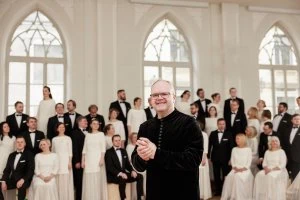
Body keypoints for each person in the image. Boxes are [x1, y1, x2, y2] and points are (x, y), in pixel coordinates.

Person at [131, 80, 203, 200]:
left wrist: (156, 153)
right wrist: (141, 158)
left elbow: (194, 159)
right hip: (155, 193)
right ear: (151, 99)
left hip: (183, 194)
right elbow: (137, 165)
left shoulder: (189, 123)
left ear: (173, 97)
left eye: (164, 94)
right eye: (155, 95)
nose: (159, 98)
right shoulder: (145, 127)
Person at [105, 135, 143, 200]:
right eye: (116, 141)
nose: (118, 142)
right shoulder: (108, 152)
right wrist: (120, 173)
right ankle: (123, 198)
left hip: (124, 174)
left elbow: (127, 164)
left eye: (119, 140)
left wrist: (132, 171)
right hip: (114, 175)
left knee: (140, 176)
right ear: (112, 142)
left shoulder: (123, 151)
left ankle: (139, 197)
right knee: (122, 179)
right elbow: (109, 167)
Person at [0, 136, 34, 200]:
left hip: (24, 180)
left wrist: (22, 180)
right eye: (18, 142)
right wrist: (4, 181)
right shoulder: (11, 155)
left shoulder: (29, 154)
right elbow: (7, 170)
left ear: (25, 144)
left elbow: (30, 170)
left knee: (22, 187)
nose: (19, 144)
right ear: (15, 144)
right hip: (13, 180)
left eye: (21, 142)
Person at [221, 134, 253, 200]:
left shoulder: (248, 150)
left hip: (245, 170)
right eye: (236, 139)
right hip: (235, 169)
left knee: (237, 177)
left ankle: (239, 197)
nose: (236, 140)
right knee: (229, 177)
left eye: (238, 138)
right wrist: (235, 167)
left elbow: (248, 162)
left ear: (242, 139)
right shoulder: (234, 149)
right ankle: (230, 196)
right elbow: (232, 161)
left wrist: (242, 169)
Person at [81, 118, 107, 200]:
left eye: (97, 124)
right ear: (91, 125)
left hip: (98, 159)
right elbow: (84, 149)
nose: (96, 125)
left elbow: (103, 148)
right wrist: (83, 160)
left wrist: (102, 159)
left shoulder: (101, 134)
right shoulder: (87, 135)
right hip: (88, 160)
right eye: (94, 124)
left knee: (97, 179)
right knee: (89, 180)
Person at [208, 118, 234, 196]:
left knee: (225, 175)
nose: (222, 126)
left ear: (225, 124)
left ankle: (225, 191)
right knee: (216, 175)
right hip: (215, 158)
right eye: (220, 124)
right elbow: (209, 146)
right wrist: (208, 157)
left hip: (226, 159)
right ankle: (218, 191)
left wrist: (231, 159)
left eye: (223, 124)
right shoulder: (212, 133)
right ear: (217, 124)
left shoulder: (229, 134)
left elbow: (232, 147)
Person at [51, 123, 74, 200]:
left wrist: (70, 162)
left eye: (63, 127)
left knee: (66, 180)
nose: (62, 128)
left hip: (66, 161)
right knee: (58, 179)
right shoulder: (54, 139)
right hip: (57, 161)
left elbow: (70, 152)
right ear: (57, 129)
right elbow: (52, 152)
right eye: (60, 127)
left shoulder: (68, 138)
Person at [71, 116, 88, 200]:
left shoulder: (89, 132)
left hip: (89, 161)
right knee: (79, 182)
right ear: (79, 122)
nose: (86, 122)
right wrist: (77, 161)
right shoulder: (74, 133)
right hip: (79, 161)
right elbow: (75, 148)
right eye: (84, 121)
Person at [281, 114, 300, 181]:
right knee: (289, 173)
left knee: (297, 175)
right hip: (288, 155)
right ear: (291, 120)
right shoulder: (287, 130)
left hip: (298, 156)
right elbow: (284, 142)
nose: (297, 120)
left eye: (298, 119)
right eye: (295, 119)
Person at [199, 131, 212, 200]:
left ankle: (203, 194)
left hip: (202, 157)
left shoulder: (204, 134)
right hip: (194, 157)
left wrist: (204, 157)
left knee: (203, 175)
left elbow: (205, 146)